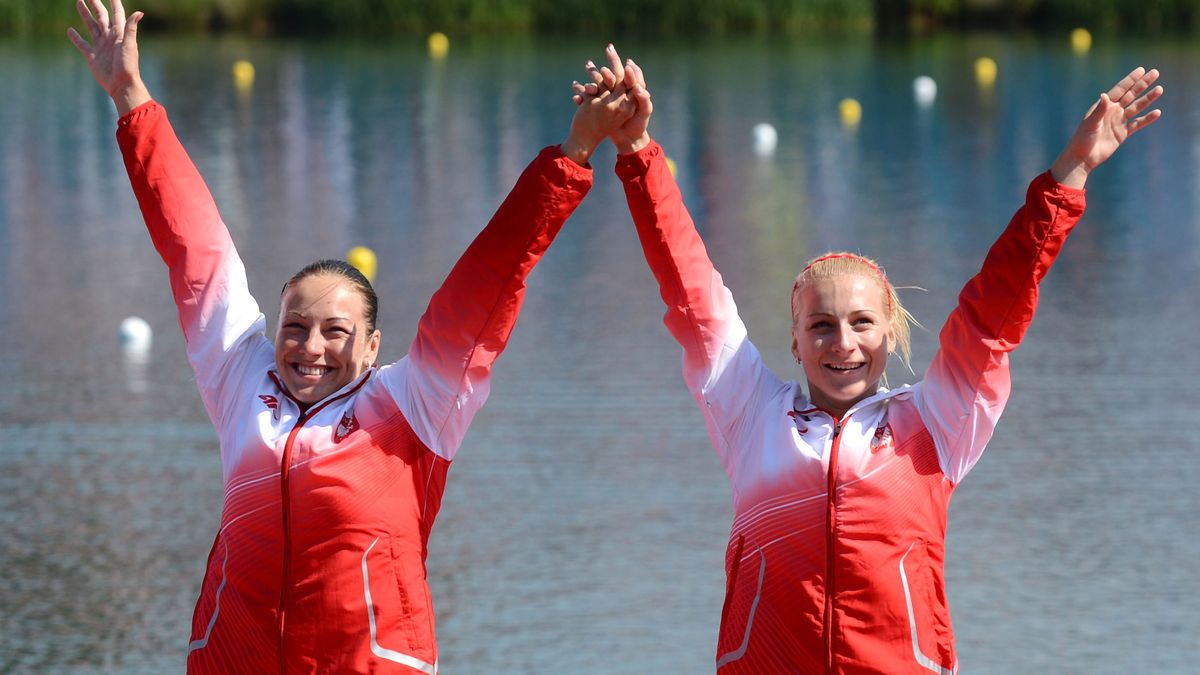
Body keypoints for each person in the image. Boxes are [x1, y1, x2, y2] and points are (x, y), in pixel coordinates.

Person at [68, 2, 637, 672]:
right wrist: (131, 96)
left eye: (336, 332)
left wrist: (573, 154)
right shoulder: (242, 380)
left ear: (372, 347)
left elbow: (489, 278)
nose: (310, 346)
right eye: (295, 328)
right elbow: (194, 245)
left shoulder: (414, 403)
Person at [577, 50, 1162, 672]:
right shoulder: (750, 413)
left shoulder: (936, 424)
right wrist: (637, 148)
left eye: (861, 324)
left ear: (890, 334)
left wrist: (1069, 172)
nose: (843, 343)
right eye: (821, 327)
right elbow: (689, 287)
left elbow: (993, 315)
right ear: (795, 342)